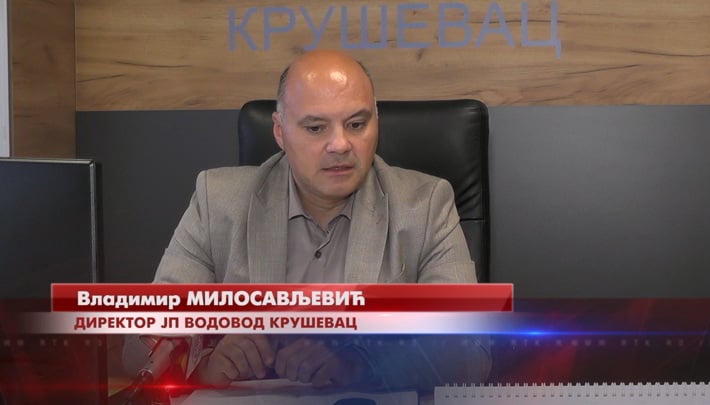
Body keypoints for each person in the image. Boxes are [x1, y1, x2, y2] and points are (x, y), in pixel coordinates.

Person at [126, 49, 489, 391]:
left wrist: (362, 363)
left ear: (376, 123)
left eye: (357, 124)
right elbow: (139, 347)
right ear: (279, 131)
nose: (340, 144)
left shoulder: (426, 206)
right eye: (316, 128)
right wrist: (202, 366)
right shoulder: (218, 203)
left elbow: (472, 353)